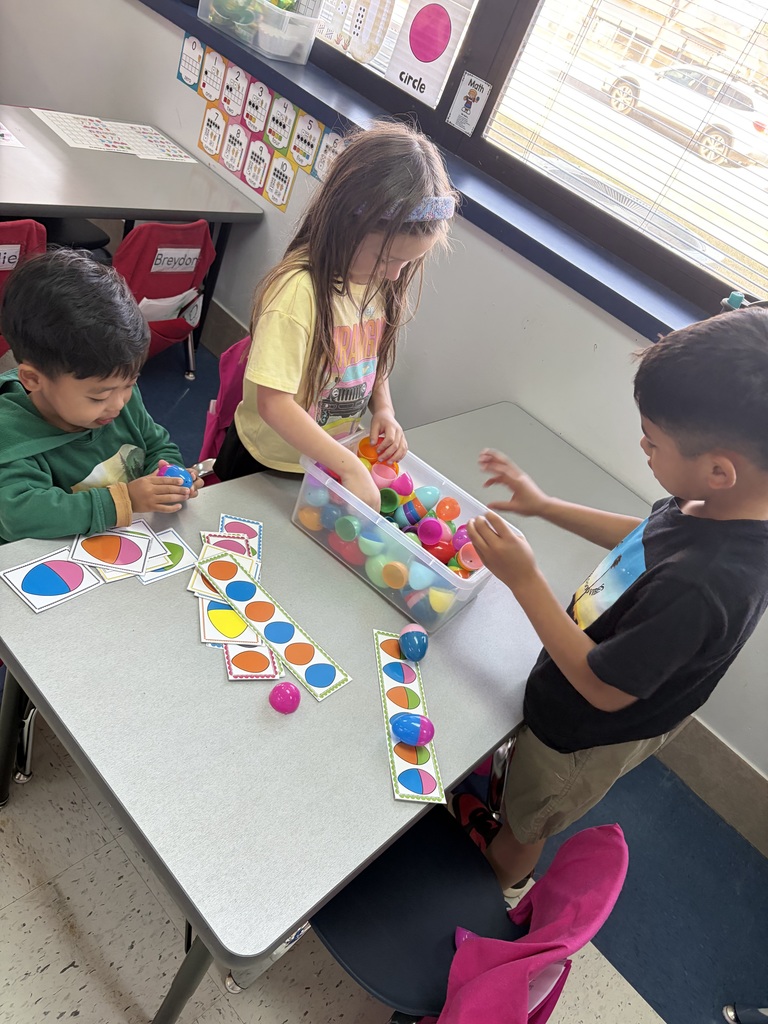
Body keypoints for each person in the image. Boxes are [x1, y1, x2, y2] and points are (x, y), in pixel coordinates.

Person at [463, 309, 768, 896]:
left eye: (653, 441)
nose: (643, 447)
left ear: (719, 469)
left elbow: (603, 689)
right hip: (582, 674)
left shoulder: (706, 587)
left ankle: (496, 881)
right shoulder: (708, 505)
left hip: (581, 733)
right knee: (522, 782)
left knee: (530, 817)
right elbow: (647, 538)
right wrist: (546, 505)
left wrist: (525, 580)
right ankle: (503, 810)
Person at [213, 120, 457, 511]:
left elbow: (368, 356)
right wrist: (349, 468)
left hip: (329, 461)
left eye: (407, 263)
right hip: (267, 465)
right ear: (346, 224)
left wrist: (385, 409)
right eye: (387, 259)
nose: (395, 275)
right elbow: (274, 404)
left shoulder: (377, 278)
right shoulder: (298, 294)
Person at [0, 248, 203, 545]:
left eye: (131, 383)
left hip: (125, 548)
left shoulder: (116, 392)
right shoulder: (11, 434)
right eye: (99, 397)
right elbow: (18, 516)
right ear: (33, 379)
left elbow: (156, 444)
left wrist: (167, 477)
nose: (119, 403)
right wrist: (125, 501)